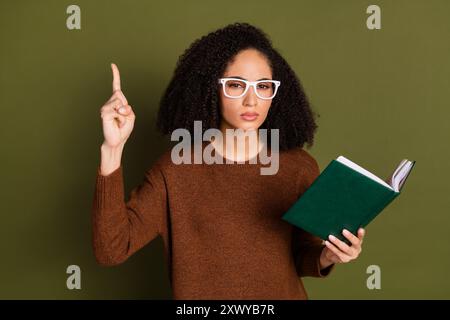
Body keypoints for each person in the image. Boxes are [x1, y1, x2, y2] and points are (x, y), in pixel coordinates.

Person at [92, 22, 365, 300]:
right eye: (236, 85)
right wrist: (113, 148)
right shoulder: (175, 170)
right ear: (211, 89)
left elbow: (300, 255)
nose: (251, 100)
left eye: (263, 86)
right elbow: (111, 249)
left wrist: (328, 256)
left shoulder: (299, 167)